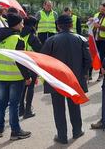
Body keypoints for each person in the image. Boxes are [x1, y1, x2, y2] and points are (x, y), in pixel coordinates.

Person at [41, 15, 91, 144]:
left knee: (58, 108)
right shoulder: (81, 39)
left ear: (58, 26)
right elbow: (88, 60)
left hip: (56, 80)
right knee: (74, 105)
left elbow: (43, 60)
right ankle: (77, 131)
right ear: (71, 25)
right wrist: (85, 73)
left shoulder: (51, 40)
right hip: (74, 79)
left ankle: (62, 136)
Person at [0, 13, 31, 140]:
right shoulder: (17, 40)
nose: (22, 24)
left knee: (2, 102)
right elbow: (20, 62)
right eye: (21, 22)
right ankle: (15, 131)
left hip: (2, 76)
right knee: (14, 105)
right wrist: (27, 77)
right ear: (16, 24)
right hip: (15, 77)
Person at [19, 15, 42, 119]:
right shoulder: (32, 36)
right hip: (31, 65)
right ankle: (28, 110)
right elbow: (40, 51)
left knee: (23, 86)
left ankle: (21, 109)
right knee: (30, 87)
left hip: (21, 64)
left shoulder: (19, 33)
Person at [88, 2, 105, 81]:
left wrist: (99, 26)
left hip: (104, 40)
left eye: (104, 9)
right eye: (101, 9)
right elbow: (93, 24)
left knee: (102, 57)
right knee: (92, 56)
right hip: (95, 39)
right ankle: (89, 74)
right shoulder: (96, 15)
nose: (102, 10)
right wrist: (91, 21)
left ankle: (101, 74)